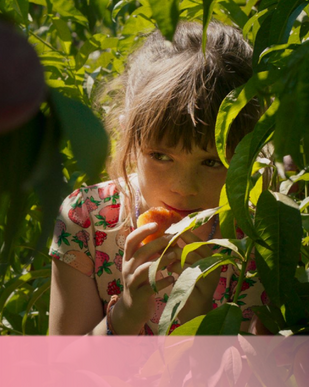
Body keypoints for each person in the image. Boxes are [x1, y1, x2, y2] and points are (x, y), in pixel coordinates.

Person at [48, 21, 267, 335]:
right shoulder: (88, 220)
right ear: (129, 134)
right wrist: (123, 317)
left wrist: (198, 322)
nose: (183, 188)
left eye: (210, 162)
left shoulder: (259, 239)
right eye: (161, 156)